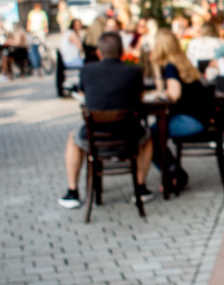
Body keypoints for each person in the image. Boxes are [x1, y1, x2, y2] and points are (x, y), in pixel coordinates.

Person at [58, 32, 155, 209]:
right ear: (122, 51)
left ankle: (72, 191)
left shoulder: (87, 71)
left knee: (73, 139)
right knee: (148, 138)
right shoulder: (133, 71)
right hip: (128, 136)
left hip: (95, 138)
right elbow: (139, 97)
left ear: (99, 52)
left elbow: (83, 94)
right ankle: (140, 187)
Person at [149, 29, 210, 140]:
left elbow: (174, 94)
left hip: (189, 120)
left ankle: (166, 158)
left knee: (151, 133)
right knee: (154, 130)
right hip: (200, 118)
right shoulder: (183, 63)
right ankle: (166, 158)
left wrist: (160, 95)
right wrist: (156, 69)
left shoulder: (171, 67)